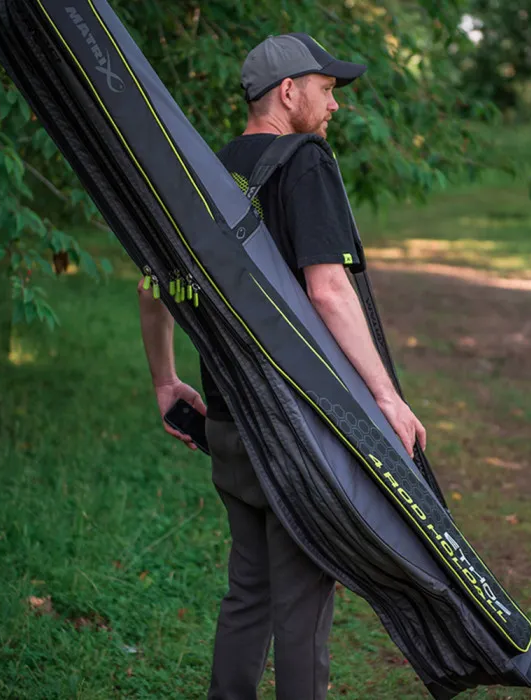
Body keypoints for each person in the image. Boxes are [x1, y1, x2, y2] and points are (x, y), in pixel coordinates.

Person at [137, 32, 427, 700]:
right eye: (327, 90)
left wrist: (165, 380)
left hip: (229, 420)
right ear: (289, 91)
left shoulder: (203, 171)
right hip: (298, 428)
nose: (335, 105)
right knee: (301, 602)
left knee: (249, 591)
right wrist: (386, 397)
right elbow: (329, 290)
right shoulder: (306, 162)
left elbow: (153, 288)